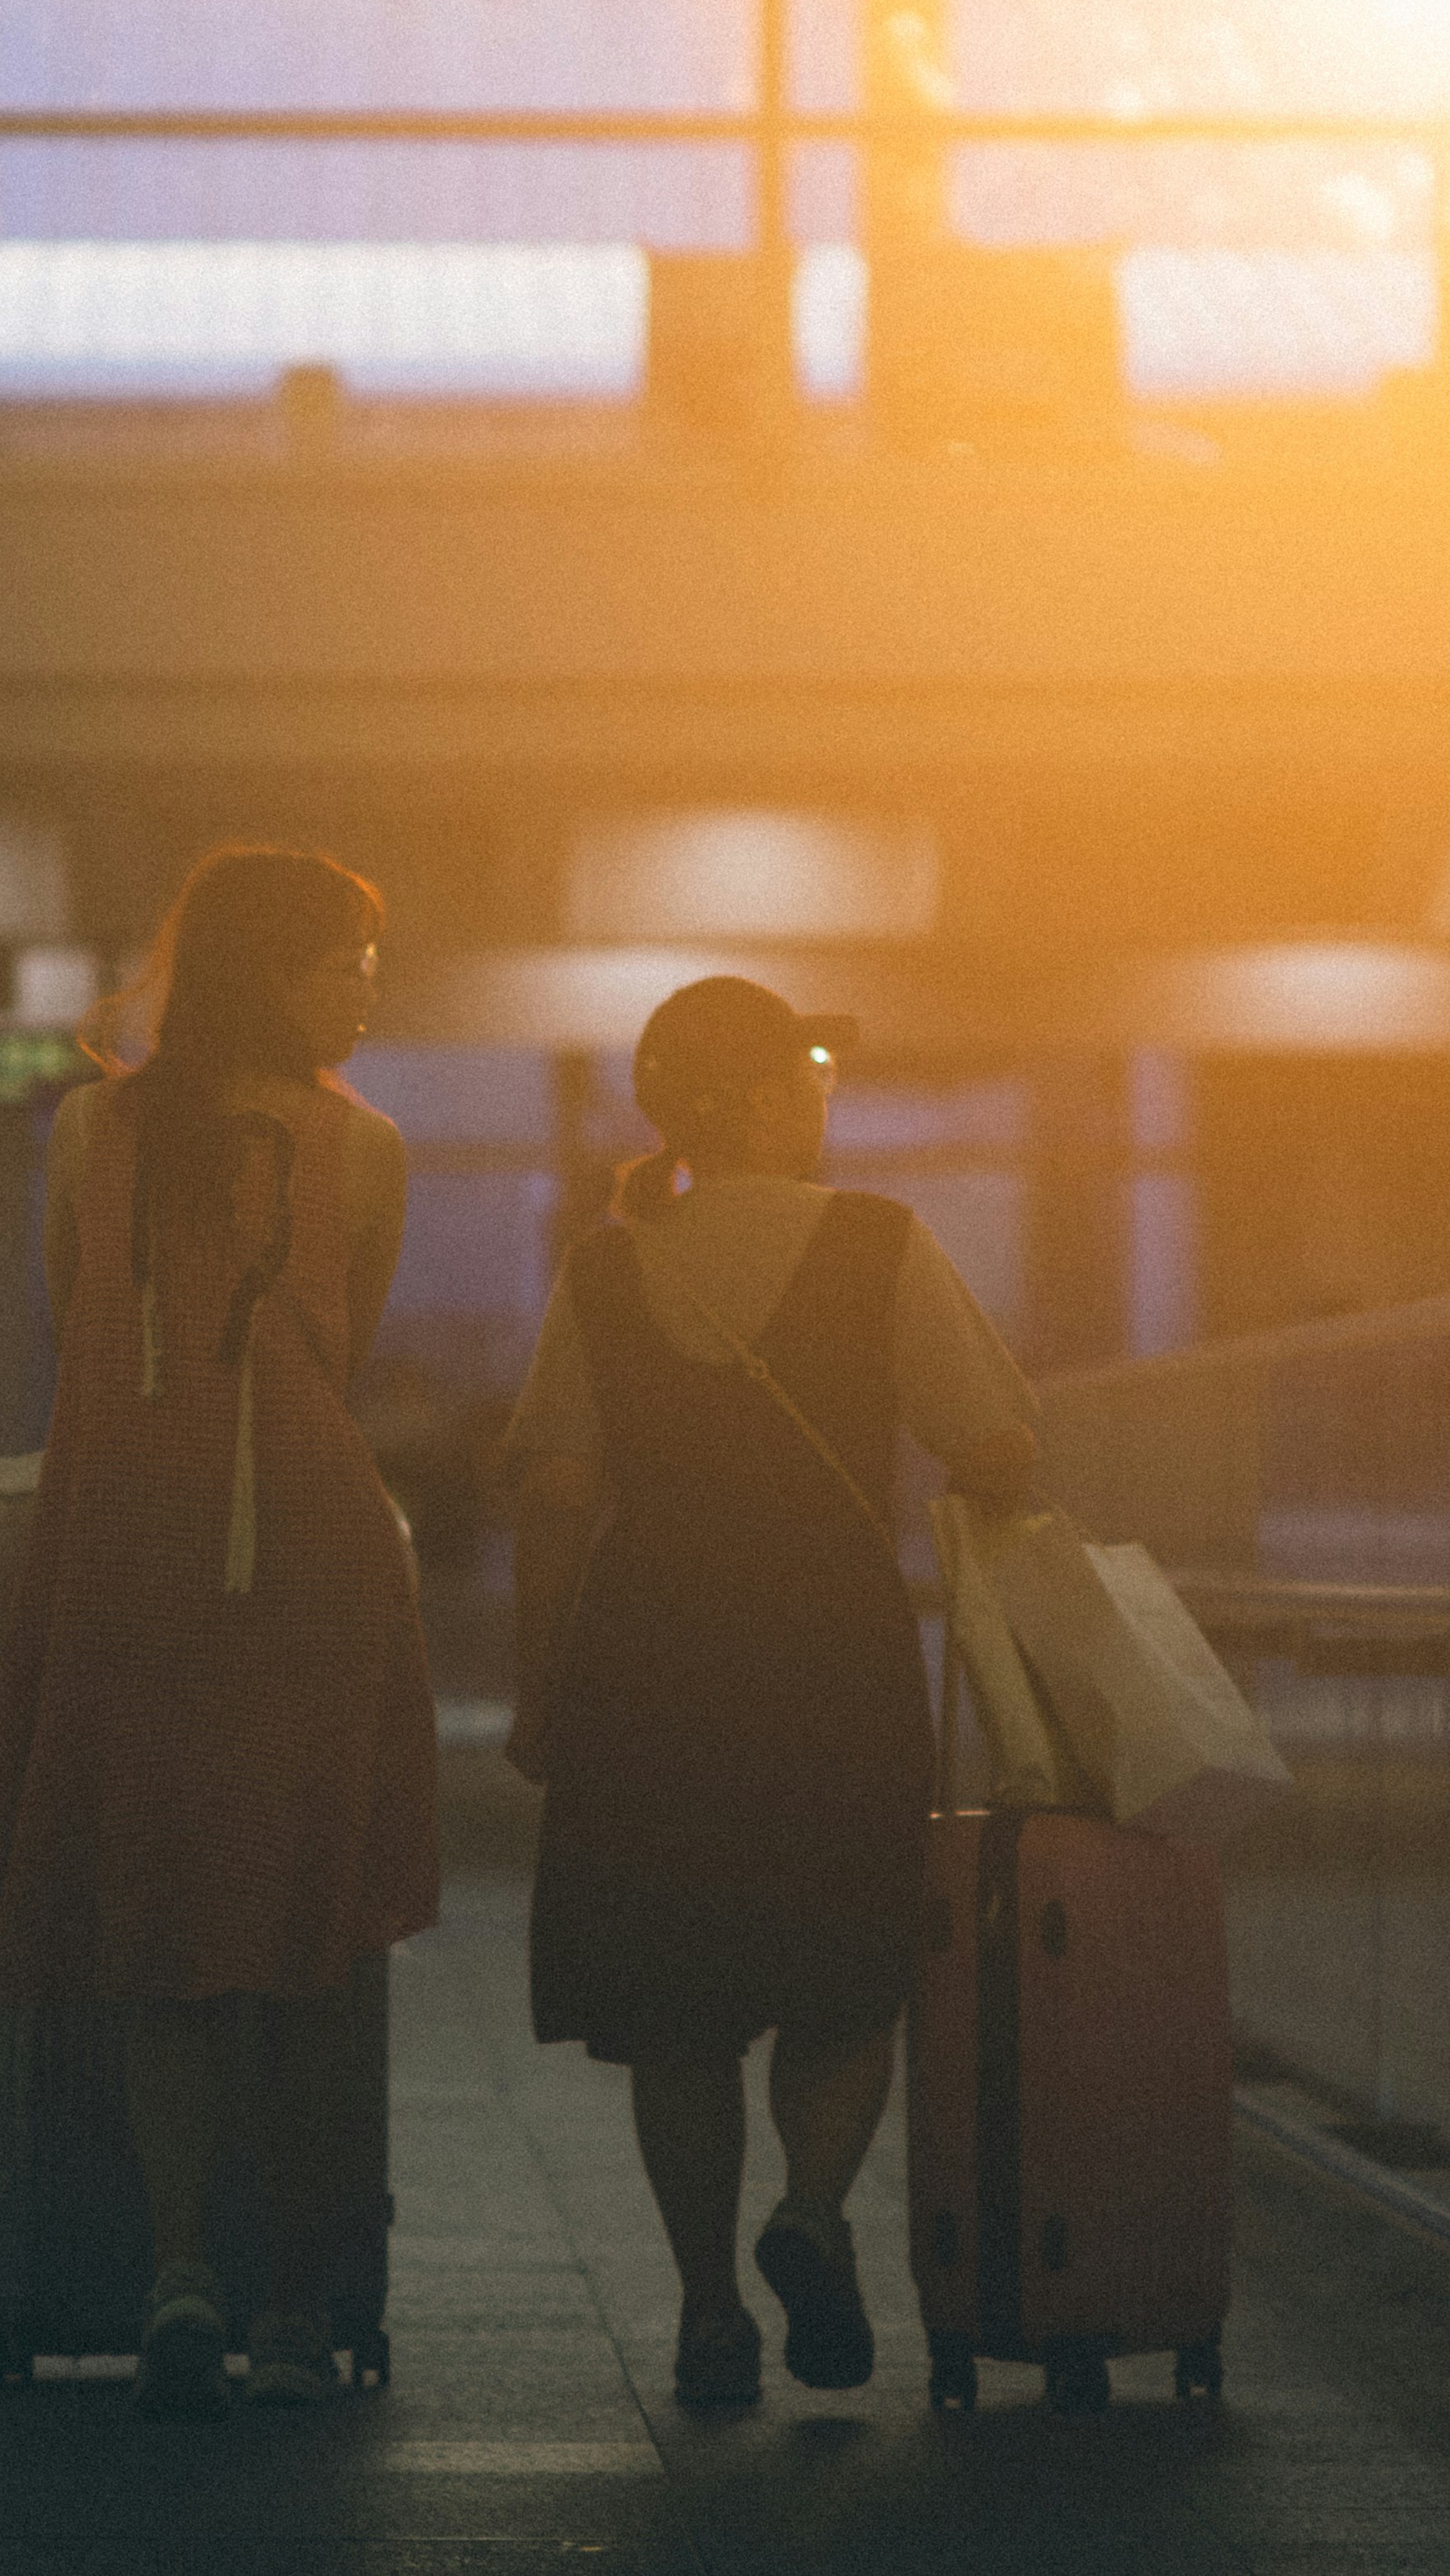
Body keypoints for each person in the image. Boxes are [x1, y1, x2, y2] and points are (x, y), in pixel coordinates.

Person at [501, 976, 1046, 2409]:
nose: (824, 1090)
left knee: (677, 2010)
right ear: (751, 1099)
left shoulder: (605, 1267)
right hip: (827, 1642)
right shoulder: (877, 1242)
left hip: (647, 1652)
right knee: (846, 1967)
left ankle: (702, 2315)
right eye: (807, 1067)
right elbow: (992, 1446)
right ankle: (808, 2212)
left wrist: (536, 1684)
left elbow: (554, 1491)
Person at [0, 845, 436, 2419]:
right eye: (345, 958)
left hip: (126, 1539)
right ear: (270, 970)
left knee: (162, 1917)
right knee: (304, 1918)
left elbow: (67, 1319)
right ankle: (295, 2299)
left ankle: (176, 2265)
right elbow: (343, 1348)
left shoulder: (94, 1129)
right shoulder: (362, 1152)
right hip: (309, 1543)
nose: (367, 984)